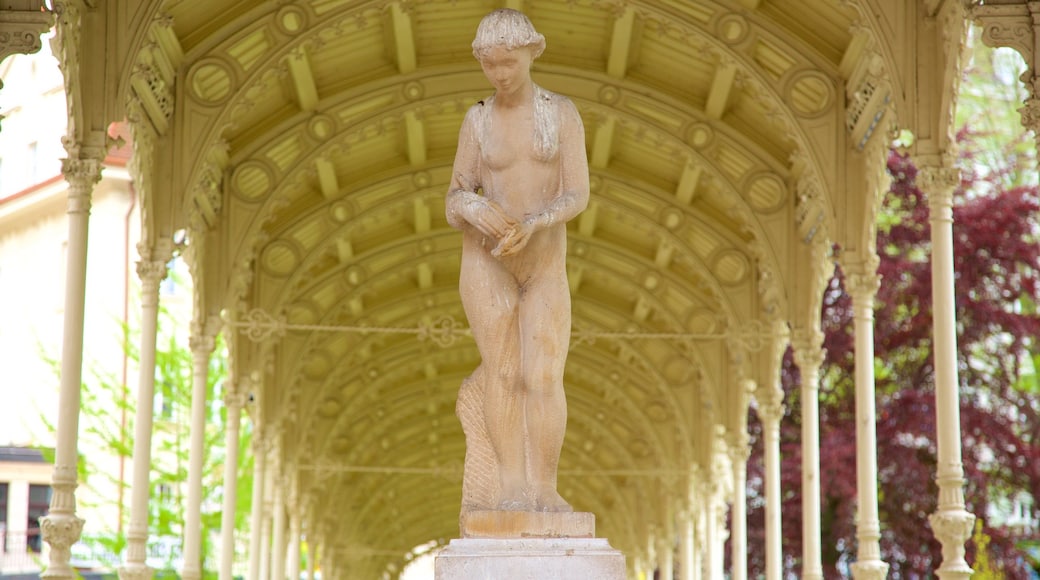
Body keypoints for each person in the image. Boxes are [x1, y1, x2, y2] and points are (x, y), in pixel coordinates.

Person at [446, 8, 589, 513]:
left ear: (532, 52)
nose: (500, 74)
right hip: (487, 261)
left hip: (543, 258)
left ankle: (543, 488)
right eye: (490, 65)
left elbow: (578, 193)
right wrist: (475, 207)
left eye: (508, 63)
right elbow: (455, 195)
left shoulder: (561, 114)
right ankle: (508, 486)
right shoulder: (478, 119)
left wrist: (538, 221)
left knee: (543, 374)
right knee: (502, 372)